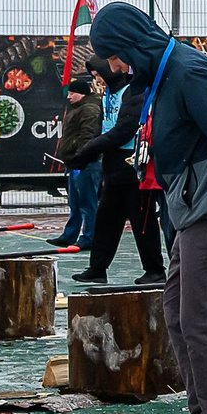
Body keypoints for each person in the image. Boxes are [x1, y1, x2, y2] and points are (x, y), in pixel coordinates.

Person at [87, 3, 207, 414]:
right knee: (177, 316)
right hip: (189, 212)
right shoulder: (161, 76)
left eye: (116, 57)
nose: (117, 68)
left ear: (133, 46)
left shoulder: (189, 72)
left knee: (202, 325)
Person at [74, 58, 166, 285]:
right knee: (106, 219)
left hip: (133, 161)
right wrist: (90, 150)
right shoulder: (108, 93)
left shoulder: (132, 90)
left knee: (142, 220)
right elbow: (103, 123)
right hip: (113, 162)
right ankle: (97, 267)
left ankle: (155, 269)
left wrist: (91, 149)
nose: (98, 79)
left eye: (99, 74)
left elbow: (125, 129)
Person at [53, 76, 103, 251]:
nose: (69, 96)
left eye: (72, 93)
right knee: (75, 202)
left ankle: (89, 237)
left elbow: (88, 135)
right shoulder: (79, 108)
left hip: (86, 163)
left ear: (81, 93)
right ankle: (70, 235)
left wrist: (81, 156)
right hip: (76, 163)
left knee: (87, 202)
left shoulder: (88, 110)